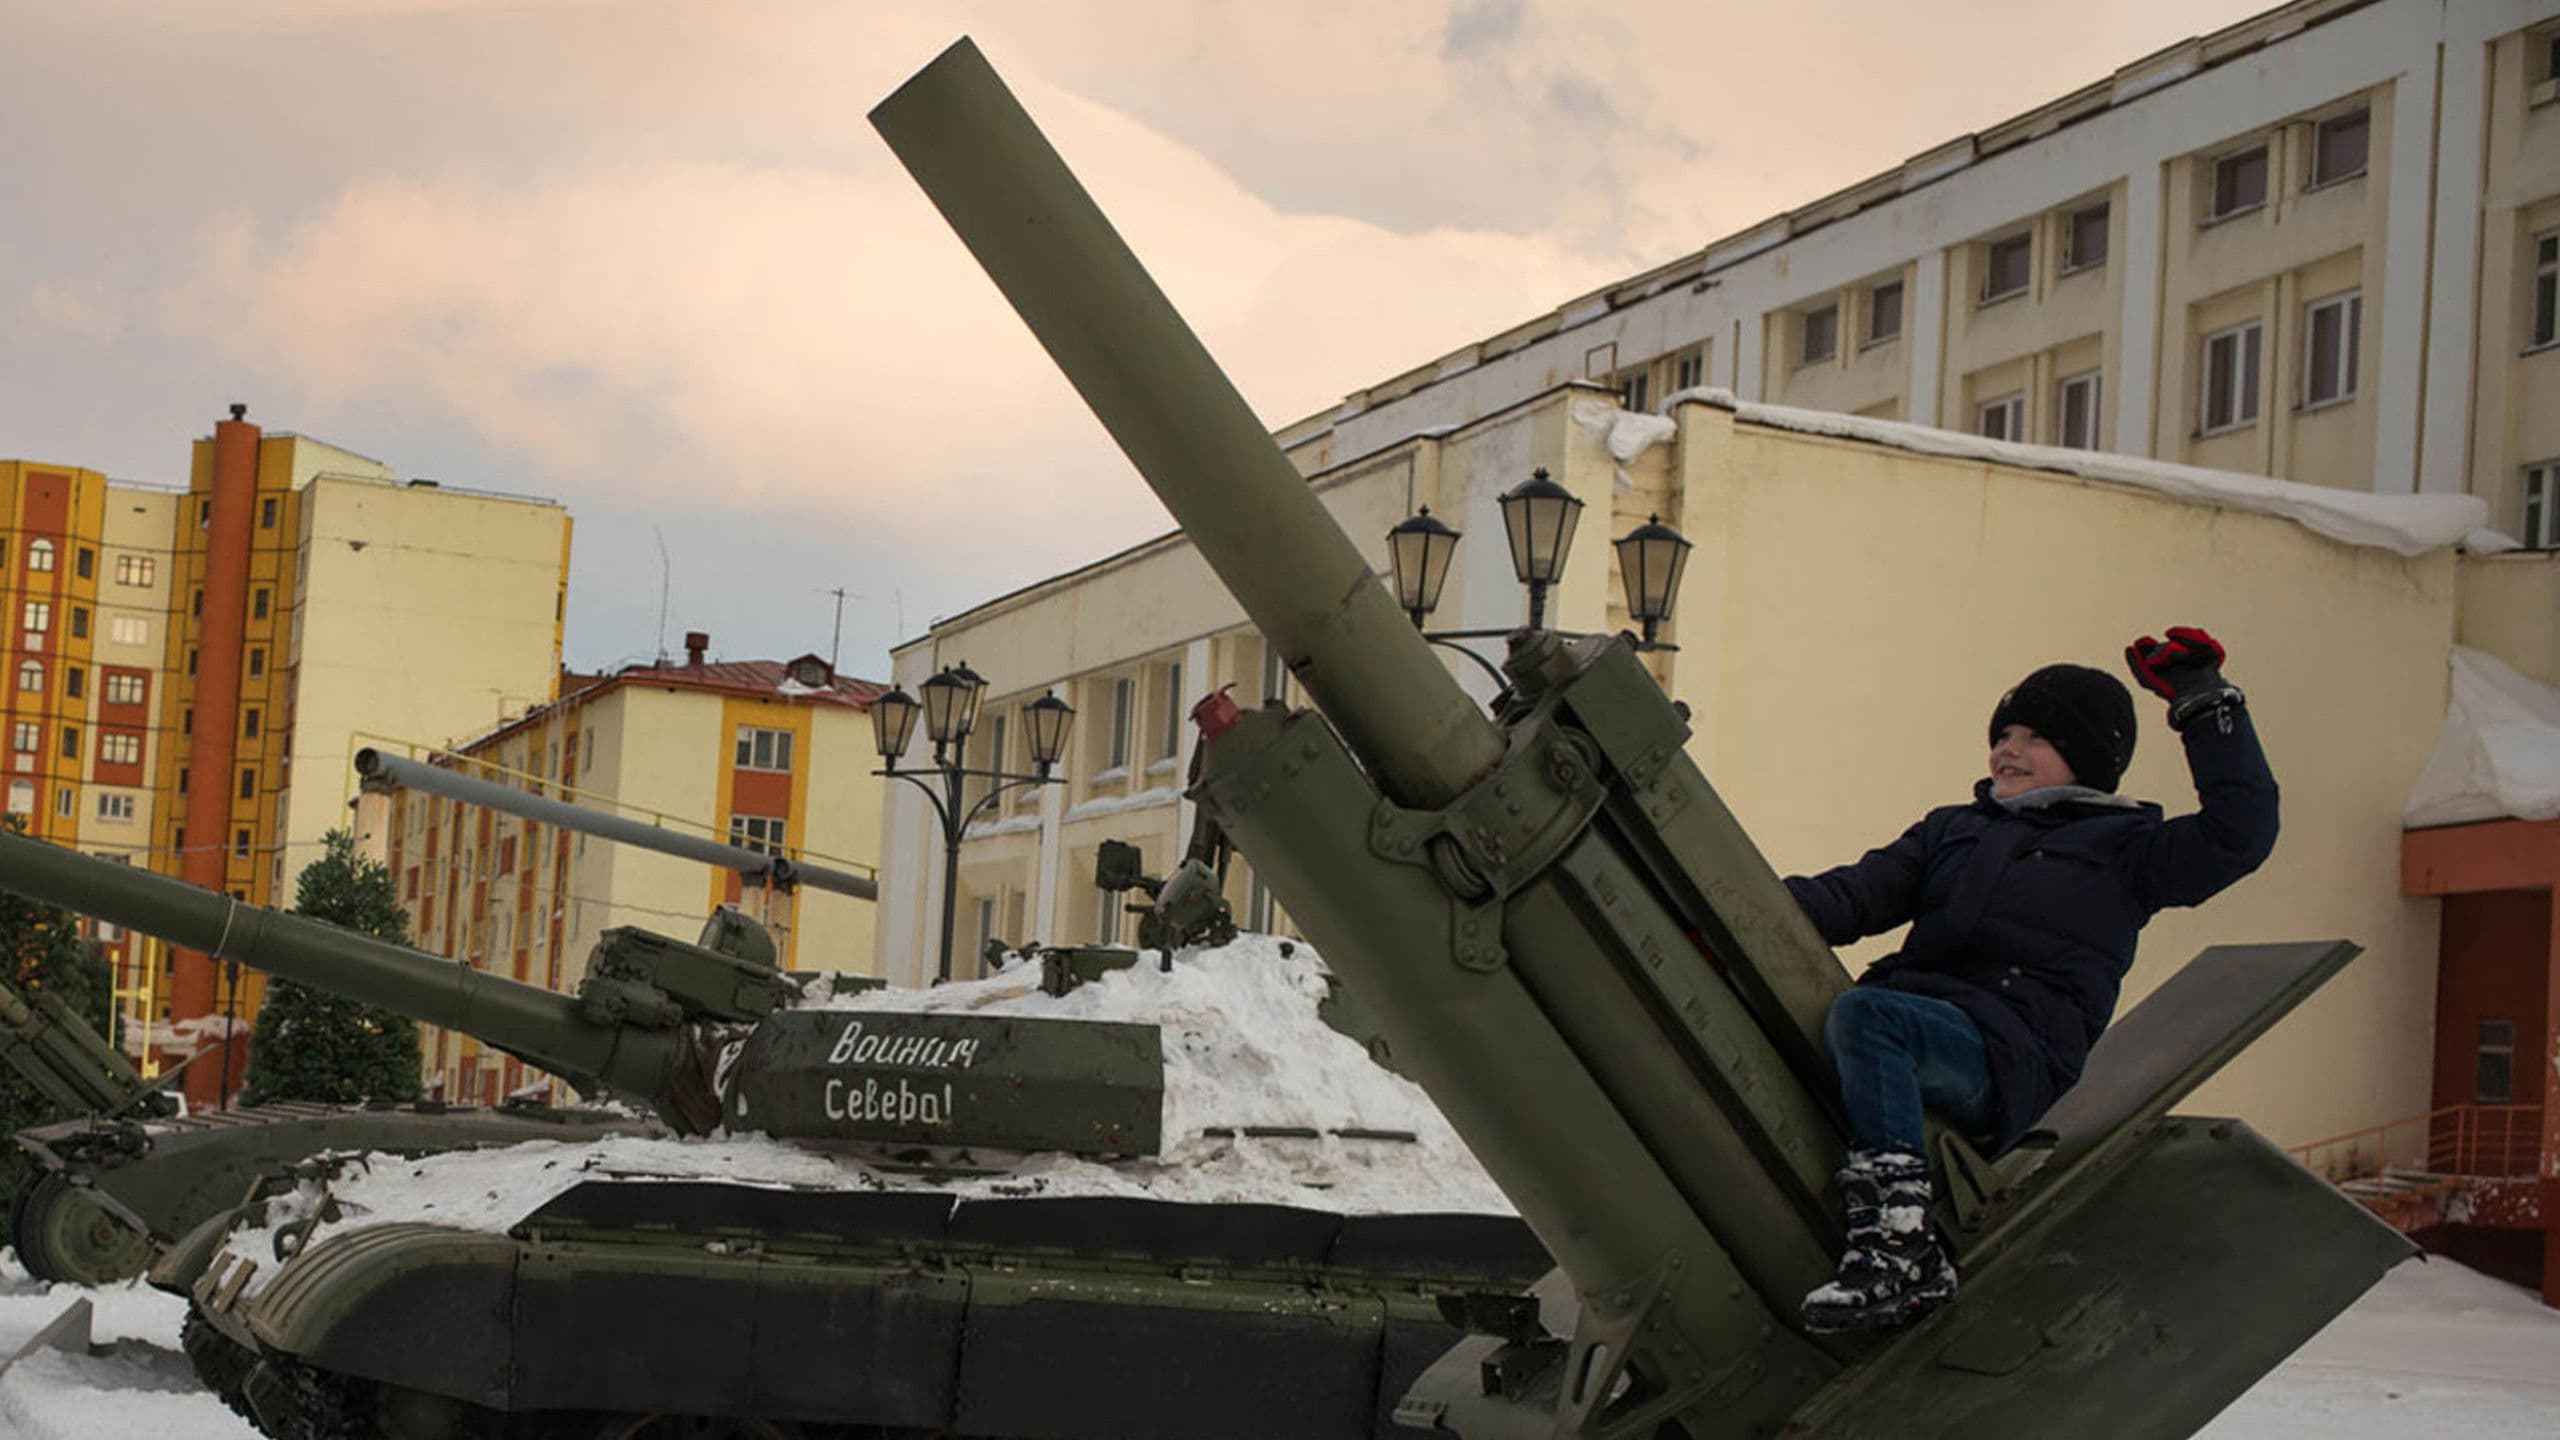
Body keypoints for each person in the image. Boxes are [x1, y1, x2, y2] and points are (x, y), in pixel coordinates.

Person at [1783, 627, 2278, 1334]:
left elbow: (2242, 833)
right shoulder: (1952, 829)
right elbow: (1850, 898)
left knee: (1867, 1015)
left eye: (2034, 737)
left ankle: (1901, 1247)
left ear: (2085, 756)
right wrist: (1717, 906)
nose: (2007, 750)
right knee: (1834, 1017)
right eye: (2004, 732)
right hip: (1915, 1027)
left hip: (2005, 1053)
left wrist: (2204, 704)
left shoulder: (2130, 852)